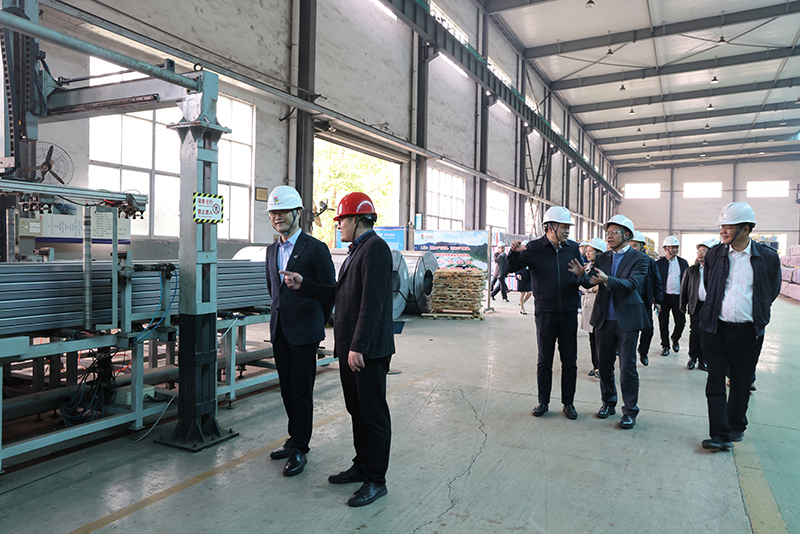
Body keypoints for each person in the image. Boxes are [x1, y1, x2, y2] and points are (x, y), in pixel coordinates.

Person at [282, 192, 395, 506]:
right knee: (357, 410)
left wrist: (359, 345)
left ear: (357, 219)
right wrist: (304, 285)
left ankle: (376, 480)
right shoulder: (358, 250)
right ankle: (362, 465)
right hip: (351, 349)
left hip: (367, 351)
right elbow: (341, 294)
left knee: (373, 414)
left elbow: (372, 303)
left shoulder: (375, 249)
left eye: (342, 220)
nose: (339, 225)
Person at [264, 186, 336, 477]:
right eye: (273, 213)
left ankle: (300, 448)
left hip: (305, 332)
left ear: (297, 213)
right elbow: (273, 290)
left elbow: (330, 292)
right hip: (280, 330)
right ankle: (293, 438)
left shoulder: (315, 248)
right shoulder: (271, 250)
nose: (277, 217)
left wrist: (316, 321)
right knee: (287, 389)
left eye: (282, 211)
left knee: (302, 391)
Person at [699, 203, 780, 451]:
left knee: (740, 382)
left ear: (746, 229)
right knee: (715, 381)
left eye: (729, 226)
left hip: (748, 331)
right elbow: (709, 285)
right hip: (715, 329)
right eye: (722, 226)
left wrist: (756, 313)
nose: (723, 231)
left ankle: (735, 426)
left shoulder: (767, 257)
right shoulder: (714, 254)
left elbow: (771, 290)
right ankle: (719, 434)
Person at [569, 214, 649, 430]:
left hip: (626, 321)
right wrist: (580, 275)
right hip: (603, 319)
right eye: (608, 233)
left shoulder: (640, 259)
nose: (609, 236)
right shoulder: (602, 258)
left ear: (627, 234)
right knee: (604, 365)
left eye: (614, 232)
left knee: (627, 367)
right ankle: (608, 403)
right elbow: (590, 282)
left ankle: (630, 411)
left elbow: (632, 284)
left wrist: (607, 280)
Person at [508, 206, 588, 420]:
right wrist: (513, 253)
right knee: (545, 359)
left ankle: (568, 403)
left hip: (569, 312)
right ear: (550, 227)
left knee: (570, 361)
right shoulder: (534, 248)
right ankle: (543, 401)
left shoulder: (573, 248)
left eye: (569, 227)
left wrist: (582, 275)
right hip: (545, 313)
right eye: (564, 227)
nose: (567, 231)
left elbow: (583, 277)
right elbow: (511, 268)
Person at [679, 239, 716, 371]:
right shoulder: (691, 270)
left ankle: (703, 359)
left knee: (708, 334)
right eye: (699, 251)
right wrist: (682, 305)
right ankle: (693, 357)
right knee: (695, 332)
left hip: (710, 306)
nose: (700, 254)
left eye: (704, 251)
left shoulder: (716, 270)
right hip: (696, 305)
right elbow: (684, 288)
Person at [630, 231, 663, 366]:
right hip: (629, 302)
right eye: (630, 245)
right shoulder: (624, 262)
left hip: (644, 301)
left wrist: (658, 301)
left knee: (648, 329)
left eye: (635, 245)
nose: (632, 248)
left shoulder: (650, 262)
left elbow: (657, 281)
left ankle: (643, 352)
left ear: (642, 247)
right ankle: (628, 356)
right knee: (629, 331)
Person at [656, 236, 689, 356]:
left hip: (678, 298)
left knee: (681, 322)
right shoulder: (659, 264)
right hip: (664, 298)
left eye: (676, 247)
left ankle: (675, 338)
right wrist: (656, 300)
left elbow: (688, 281)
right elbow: (655, 282)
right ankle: (665, 346)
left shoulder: (683, 263)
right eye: (672, 247)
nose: (675, 250)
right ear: (665, 248)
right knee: (663, 323)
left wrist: (686, 299)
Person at [580, 238, 606, 377]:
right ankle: (595, 366)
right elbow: (580, 284)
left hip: (601, 307)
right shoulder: (587, 267)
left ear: (599, 252)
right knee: (592, 338)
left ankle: (602, 366)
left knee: (601, 339)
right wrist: (590, 288)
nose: (587, 253)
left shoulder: (605, 268)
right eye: (587, 250)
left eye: (591, 251)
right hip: (589, 306)